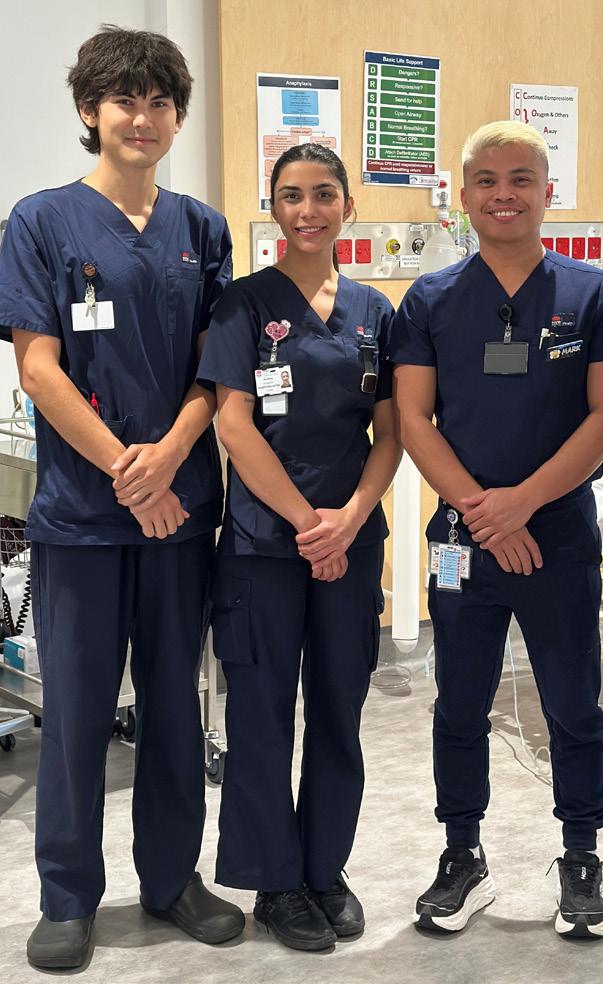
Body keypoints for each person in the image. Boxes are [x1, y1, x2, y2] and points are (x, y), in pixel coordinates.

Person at [0, 26, 244, 970]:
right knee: (79, 716)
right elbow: (39, 371)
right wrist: (132, 477)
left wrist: (167, 459)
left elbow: (218, 370)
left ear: (176, 117)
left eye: (160, 101)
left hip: (180, 513)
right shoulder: (43, 221)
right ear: (91, 111)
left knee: (175, 708)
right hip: (84, 522)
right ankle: (67, 897)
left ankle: (172, 880)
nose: (144, 116)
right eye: (125, 100)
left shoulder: (202, 230)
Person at [390, 121, 603, 938]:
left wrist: (521, 504)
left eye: (521, 178)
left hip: (556, 535)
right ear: (463, 196)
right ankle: (462, 854)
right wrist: (485, 515)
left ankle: (581, 856)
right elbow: (415, 421)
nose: (505, 194)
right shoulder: (429, 301)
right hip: (463, 539)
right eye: (488, 181)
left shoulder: (593, 295)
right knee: (459, 702)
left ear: (547, 191)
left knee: (571, 701)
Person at [197, 143, 401, 952]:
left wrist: (350, 517)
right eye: (291, 195)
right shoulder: (243, 305)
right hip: (263, 547)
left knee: (339, 711)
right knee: (261, 716)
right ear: (272, 207)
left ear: (348, 204)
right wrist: (308, 523)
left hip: (350, 541)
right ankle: (275, 881)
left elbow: (391, 433)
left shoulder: (375, 312)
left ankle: (324, 869)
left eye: (323, 194)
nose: (308, 210)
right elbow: (233, 424)